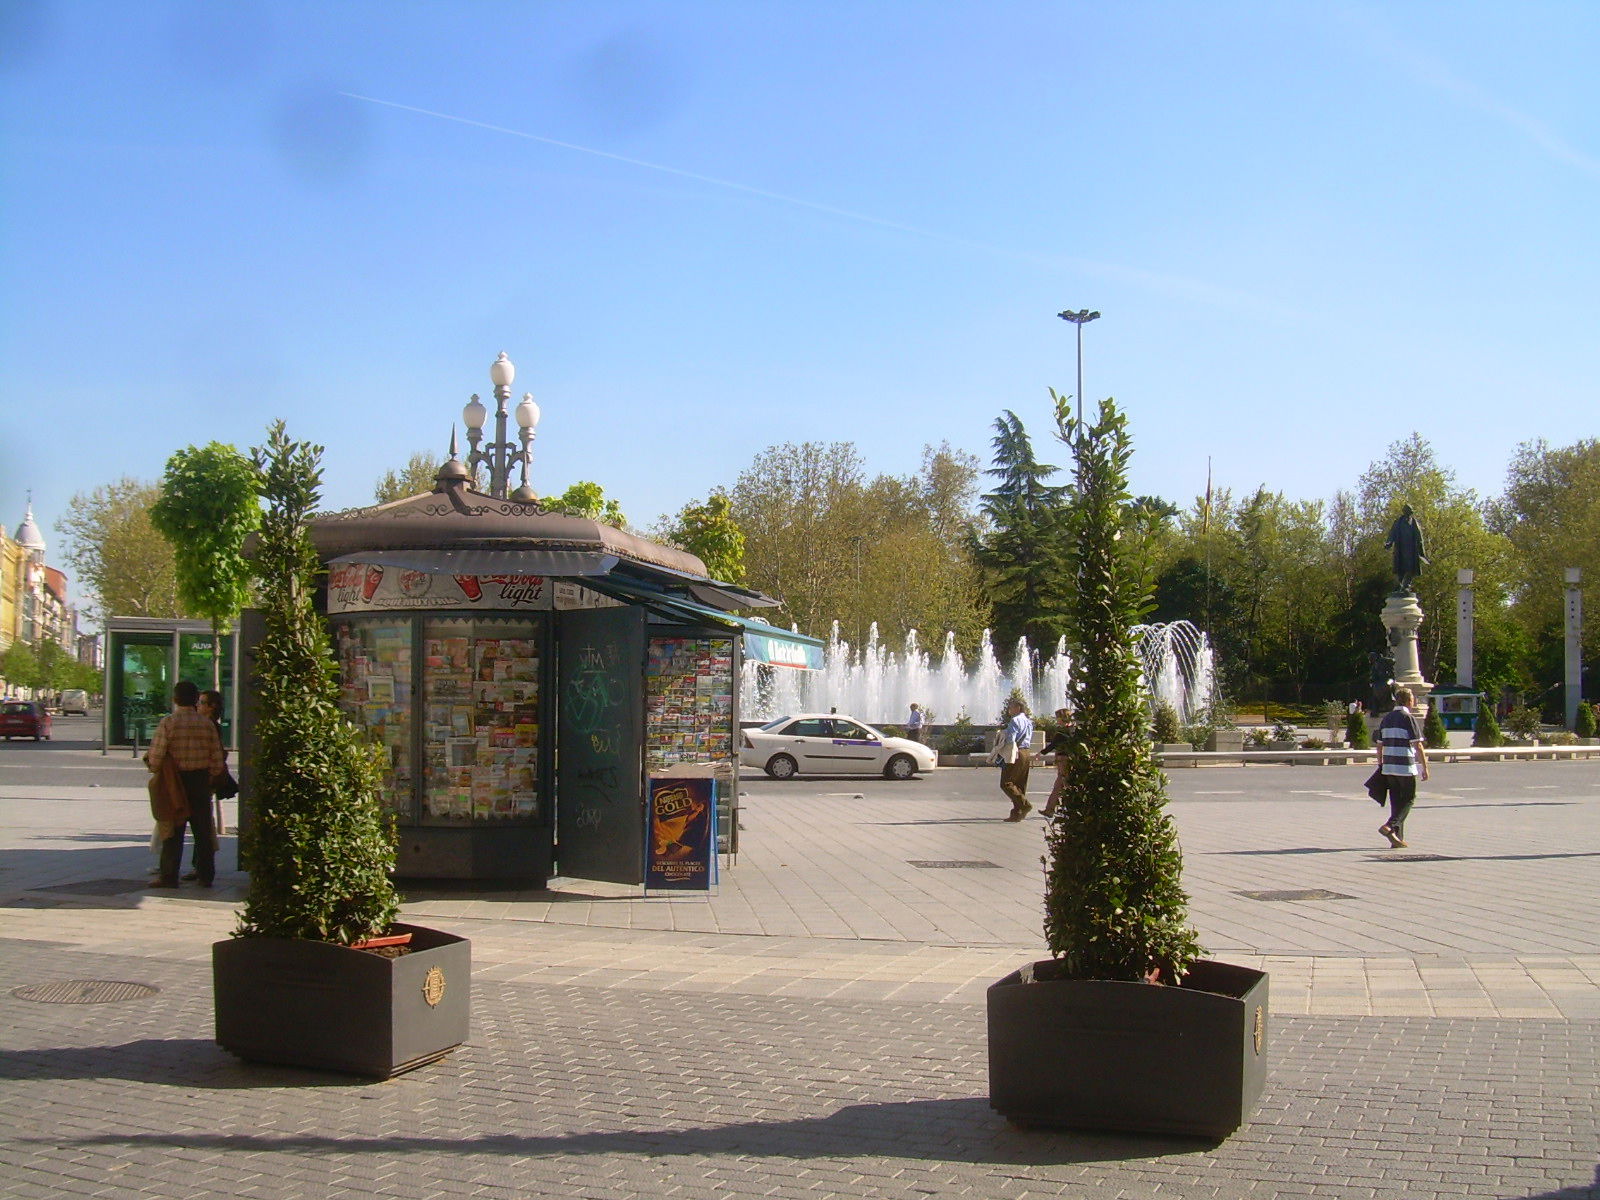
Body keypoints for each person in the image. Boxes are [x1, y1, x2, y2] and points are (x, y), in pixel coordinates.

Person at [145, 680, 226, 888]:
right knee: (203, 831)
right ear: (196, 699)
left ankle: (169, 876)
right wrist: (209, 777)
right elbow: (217, 759)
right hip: (200, 781)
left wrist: (154, 768)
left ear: (175, 699)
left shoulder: (168, 723)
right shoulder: (206, 724)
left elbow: (155, 757)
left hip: (175, 782)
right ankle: (206, 875)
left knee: (173, 830)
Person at [1373, 685, 1428, 848]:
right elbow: (1418, 745)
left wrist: (1381, 764)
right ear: (1409, 700)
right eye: (1413, 699)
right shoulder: (1408, 718)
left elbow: (1379, 745)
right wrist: (1425, 767)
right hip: (1405, 766)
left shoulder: (1387, 718)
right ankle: (1390, 825)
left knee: (1396, 802)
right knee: (1409, 799)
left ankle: (1396, 839)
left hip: (1389, 767)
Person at [996, 698, 1034, 821]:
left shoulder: (1015, 720)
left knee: (1006, 783)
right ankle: (1017, 814)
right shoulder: (1028, 721)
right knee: (1020, 784)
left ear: (1018, 708)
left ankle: (1024, 805)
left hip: (1016, 752)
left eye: (1011, 707)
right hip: (1026, 752)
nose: (1009, 710)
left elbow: (1011, 739)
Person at [1039, 707, 1074, 819]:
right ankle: (1053, 809)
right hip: (1070, 759)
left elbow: (1052, 745)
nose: (1056, 720)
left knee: (1060, 784)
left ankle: (1050, 809)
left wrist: (1040, 754)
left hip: (1062, 760)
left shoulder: (1062, 732)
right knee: (1064, 784)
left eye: (1057, 717)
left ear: (1062, 718)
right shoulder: (1073, 730)